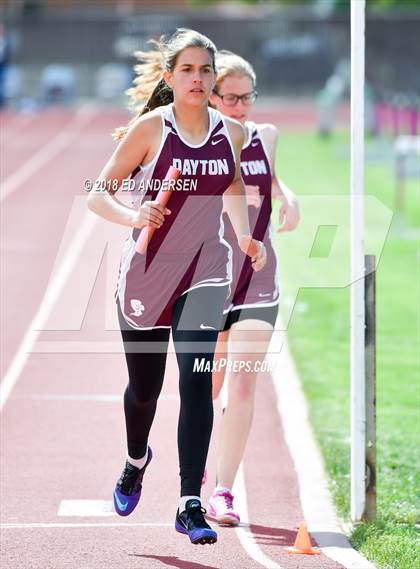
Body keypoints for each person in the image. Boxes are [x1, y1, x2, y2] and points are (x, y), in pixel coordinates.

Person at [86, 30, 266, 546]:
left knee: (196, 377)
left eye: (205, 71)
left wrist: (245, 235)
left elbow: (229, 183)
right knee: (146, 390)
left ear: (213, 79)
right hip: (148, 273)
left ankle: (190, 502)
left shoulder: (228, 133)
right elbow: (97, 194)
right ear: (169, 77)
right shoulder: (151, 129)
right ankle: (135, 459)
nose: (198, 78)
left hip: (207, 269)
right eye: (187, 70)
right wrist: (132, 214)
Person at [204, 50, 299, 526]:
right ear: (212, 97)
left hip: (259, 281)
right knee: (211, 381)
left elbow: (269, 178)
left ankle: (223, 491)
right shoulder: (200, 143)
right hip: (209, 280)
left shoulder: (266, 136)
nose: (242, 107)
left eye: (248, 97)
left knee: (242, 383)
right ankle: (195, 472)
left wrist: (287, 195)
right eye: (233, 98)